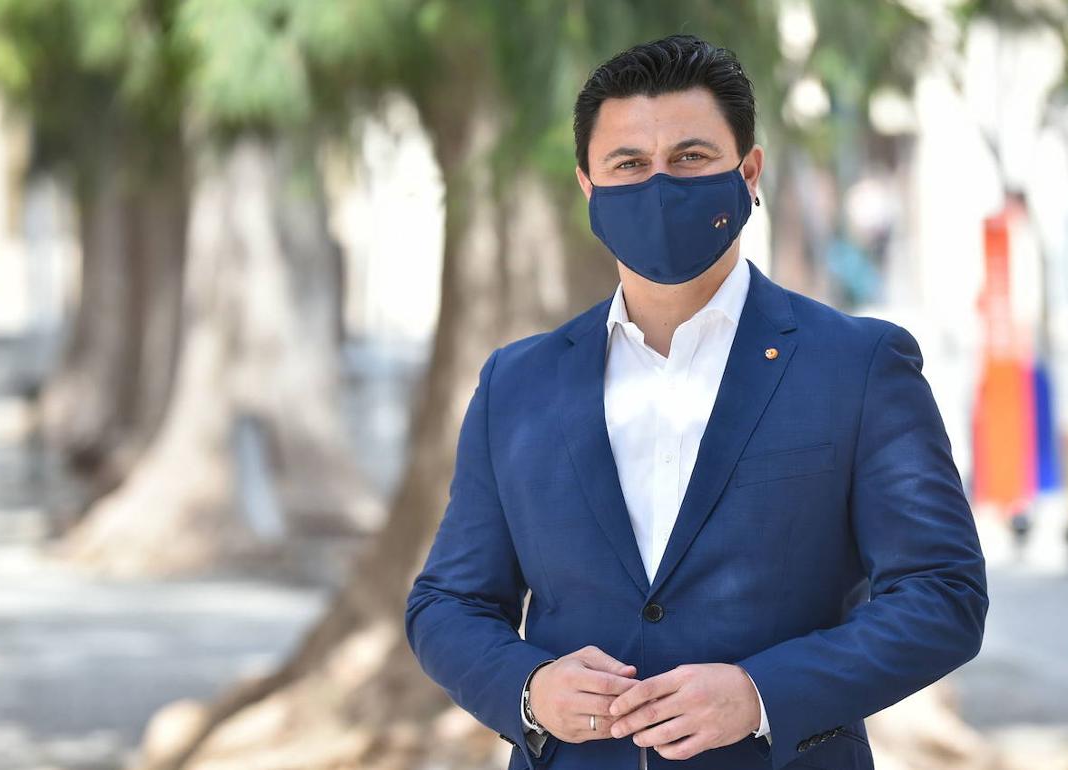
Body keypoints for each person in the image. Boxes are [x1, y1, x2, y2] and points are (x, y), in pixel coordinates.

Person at [405, 34, 988, 770]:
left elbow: (944, 593)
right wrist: (529, 689)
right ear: (588, 186)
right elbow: (448, 603)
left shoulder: (859, 366)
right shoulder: (517, 384)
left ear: (748, 172)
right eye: (629, 164)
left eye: (689, 158)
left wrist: (760, 693)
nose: (659, 185)